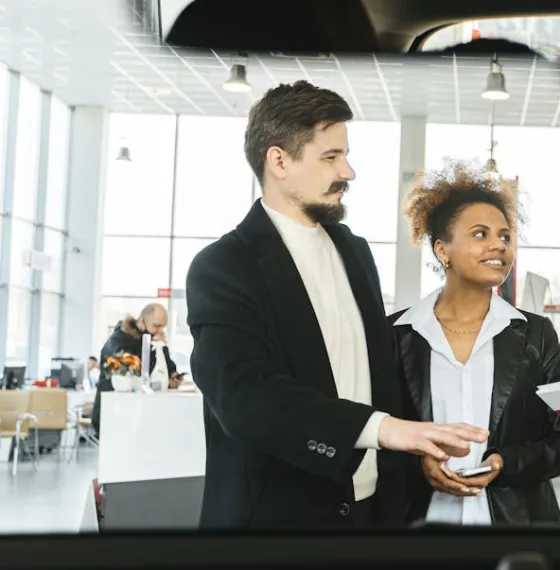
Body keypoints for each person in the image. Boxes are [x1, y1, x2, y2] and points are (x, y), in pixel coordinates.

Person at [184, 81, 488, 530]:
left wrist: (419, 449)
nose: (348, 172)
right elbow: (245, 396)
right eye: (330, 157)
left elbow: (378, 375)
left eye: (344, 154)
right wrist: (384, 429)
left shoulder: (355, 252)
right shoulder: (224, 266)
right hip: (276, 525)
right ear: (279, 161)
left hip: (372, 517)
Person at [389, 163, 560, 527]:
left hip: (518, 526)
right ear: (442, 250)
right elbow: (369, 433)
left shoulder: (535, 335)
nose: (499, 245)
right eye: (480, 234)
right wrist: (418, 463)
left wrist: (504, 463)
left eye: (505, 236)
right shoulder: (395, 335)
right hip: (417, 526)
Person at [91, 304, 181, 435]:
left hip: (138, 412)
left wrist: (173, 375)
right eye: (156, 326)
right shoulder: (120, 339)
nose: (160, 331)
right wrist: (153, 347)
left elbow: (167, 365)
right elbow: (137, 370)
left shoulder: (154, 341)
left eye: (163, 327)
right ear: (142, 321)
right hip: (114, 411)